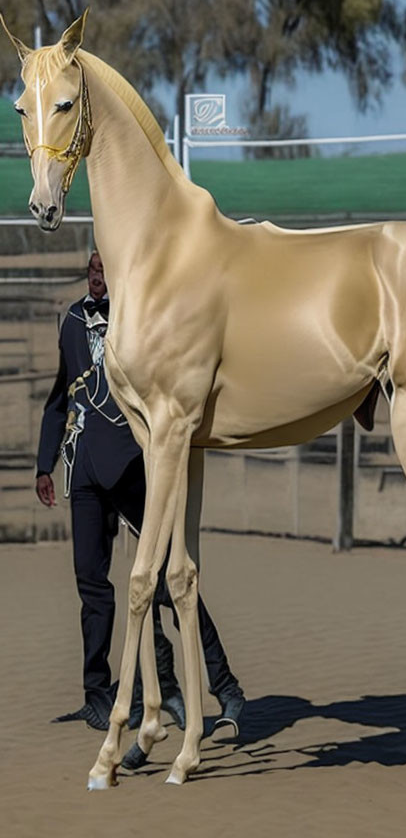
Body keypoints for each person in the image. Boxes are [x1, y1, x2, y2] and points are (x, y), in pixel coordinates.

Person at [36, 251, 244, 736]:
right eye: (91, 272)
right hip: (84, 470)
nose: (96, 280)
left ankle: (225, 685)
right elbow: (60, 395)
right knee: (91, 583)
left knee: (173, 583)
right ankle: (97, 691)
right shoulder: (71, 321)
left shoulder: (142, 323)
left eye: (104, 273)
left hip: (135, 467)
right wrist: (45, 464)